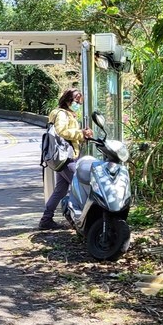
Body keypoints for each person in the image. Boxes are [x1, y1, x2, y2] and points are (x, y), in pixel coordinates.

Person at [39, 89, 93, 230]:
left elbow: (68, 137)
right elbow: (61, 132)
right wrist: (80, 132)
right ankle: (79, 219)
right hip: (66, 158)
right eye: (76, 101)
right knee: (81, 187)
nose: (78, 105)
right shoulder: (62, 114)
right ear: (68, 100)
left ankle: (46, 219)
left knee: (60, 190)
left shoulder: (65, 114)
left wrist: (82, 137)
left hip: (63, 157)